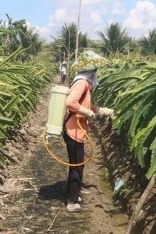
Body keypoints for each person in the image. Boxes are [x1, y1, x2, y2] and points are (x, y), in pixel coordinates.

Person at [63, 51, 114, 213]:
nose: (96, 74)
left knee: (78, 164)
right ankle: (72, 203)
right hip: (74, 130)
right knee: (77, 165)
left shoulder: (83, 83)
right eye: (95, 71)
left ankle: (74, 195)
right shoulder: (82, 83)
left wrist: (101, 110)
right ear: (91, 71)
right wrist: (88, 113)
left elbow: (85, 105)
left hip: (76, 129)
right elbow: (70, 102)